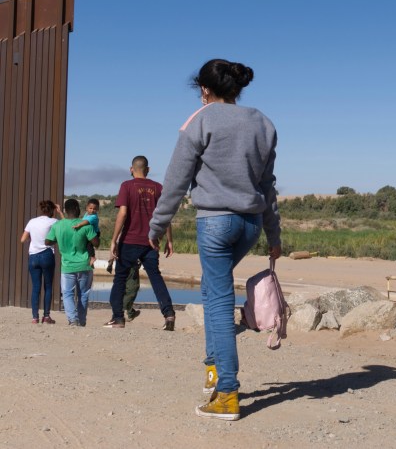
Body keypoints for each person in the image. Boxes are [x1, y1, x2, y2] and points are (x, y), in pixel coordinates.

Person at [148, 58, 282, 421]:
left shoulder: (201, 119)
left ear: (204, 90)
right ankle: (212, 369)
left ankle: (226, 392)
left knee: (219, 302)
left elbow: (176, 180)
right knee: (212, 290)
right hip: (250, 224)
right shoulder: (262, 122)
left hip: (216, 223)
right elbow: (267, 187)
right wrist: (274, 234)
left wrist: (157, 227)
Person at [106, 156, 175, 330]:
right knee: (155, 278)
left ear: (131, 169)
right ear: (148, 169)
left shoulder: (127, 186)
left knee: (120, 279)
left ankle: (118, 318)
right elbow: (164, 215)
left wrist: (114, 240)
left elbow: (122, 214)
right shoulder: (158, 188)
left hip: (129, 240)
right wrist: (169, 240)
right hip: (151, 242)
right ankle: (169, 315)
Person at [45, 199, 99, 326]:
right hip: (85, 265)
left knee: (67, 293)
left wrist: (59, 240)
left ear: (65, 210)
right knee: (83, 294)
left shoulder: (57, 225)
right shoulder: (86, 225)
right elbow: (96, 243)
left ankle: (72, 320)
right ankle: (82, 321)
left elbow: (47, 242)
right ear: (77, 209)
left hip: (67, 266)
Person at [21, 200, 62, 324]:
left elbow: (23, 239)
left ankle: (35, 317)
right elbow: (66, 225)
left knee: (36, 288)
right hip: (47, 255)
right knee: (48, 286)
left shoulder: (32, 221)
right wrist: (60, 212)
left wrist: (33, 241)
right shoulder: (54, 221)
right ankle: (46, 316)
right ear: (52, 210)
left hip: (33, 256)